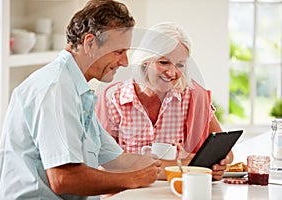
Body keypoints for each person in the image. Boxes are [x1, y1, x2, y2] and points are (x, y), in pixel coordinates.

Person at [0, 1, 161, 199]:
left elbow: (120, 161)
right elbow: (63, 179)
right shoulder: (55, 88)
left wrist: (186, 166)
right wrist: (133, 179)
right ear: (90, 43)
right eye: (118, 51)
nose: (125, 62)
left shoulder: (78, 91)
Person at [95, 22, 233, 181]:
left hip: (176, 192)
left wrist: (218, 164)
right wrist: (184, 164)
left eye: (180, 64)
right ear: (145, 60)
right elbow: (107, 163)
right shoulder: (113, 99)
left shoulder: (192, 97)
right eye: (163, 62)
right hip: (127, 193)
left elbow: (226, 153)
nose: (172, 72)